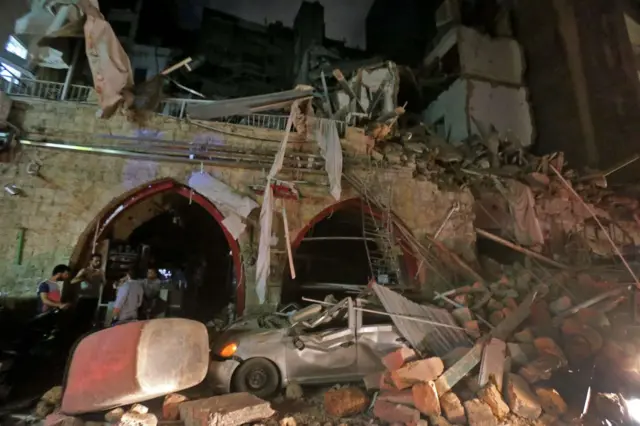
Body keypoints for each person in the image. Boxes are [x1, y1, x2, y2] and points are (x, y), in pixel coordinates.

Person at [70, 254, 106, 329]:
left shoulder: (100, 272)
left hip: (94, 299)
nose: (98, 263)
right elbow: (72, 281)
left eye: (99, 261)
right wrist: (84, 278)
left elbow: (104, 283)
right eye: (96, 261)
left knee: (89, 321)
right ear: (90, 261)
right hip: (83, 299)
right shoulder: (84, 270)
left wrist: (102, 276)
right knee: (78, 320)